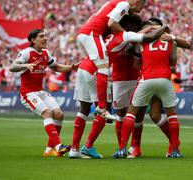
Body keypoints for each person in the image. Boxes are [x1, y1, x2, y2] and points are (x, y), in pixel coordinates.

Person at [69, 14, 169, 159]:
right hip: (99, 73)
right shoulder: (125, 35)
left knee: (84, 110)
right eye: (134, 27)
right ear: (128, 26)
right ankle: (88, 146)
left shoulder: (105, 36)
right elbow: (144, 37)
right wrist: (160, 28)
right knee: (105, 111)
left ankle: (74, 149)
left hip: (84, 69)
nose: (136, 30)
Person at [113, 21, 183, 158]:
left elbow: (131, 53)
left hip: (146, 79)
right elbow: (173, 63)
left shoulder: (141, 41)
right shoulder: (170, 41)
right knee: (170, 115)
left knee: (132, 113)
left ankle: (123, 148)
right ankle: (175, 149)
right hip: (164, 79)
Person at [9, 29, 78, 157]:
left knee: (58, 114)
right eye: (41, 37)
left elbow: (56, 67)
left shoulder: (46, 53)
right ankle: (59, 146)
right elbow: (12, 67)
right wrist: (25, 65)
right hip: (27, 93)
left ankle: (48, 150)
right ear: (33, 40)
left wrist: (70, 67)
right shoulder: (25, 53)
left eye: (45, 36)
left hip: (40, 91)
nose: (45, 39)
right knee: (47, 113)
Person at [76, 0, 146, 120]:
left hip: (85, 34)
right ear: (137, 1)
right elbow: (112, 23)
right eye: (141, 6)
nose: (139, 10)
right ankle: (102, 108)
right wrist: (126, 35)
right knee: (104, 67)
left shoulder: (111, 3)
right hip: (92, 34)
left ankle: (100, 105)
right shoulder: (125, 4)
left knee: (96, 66)